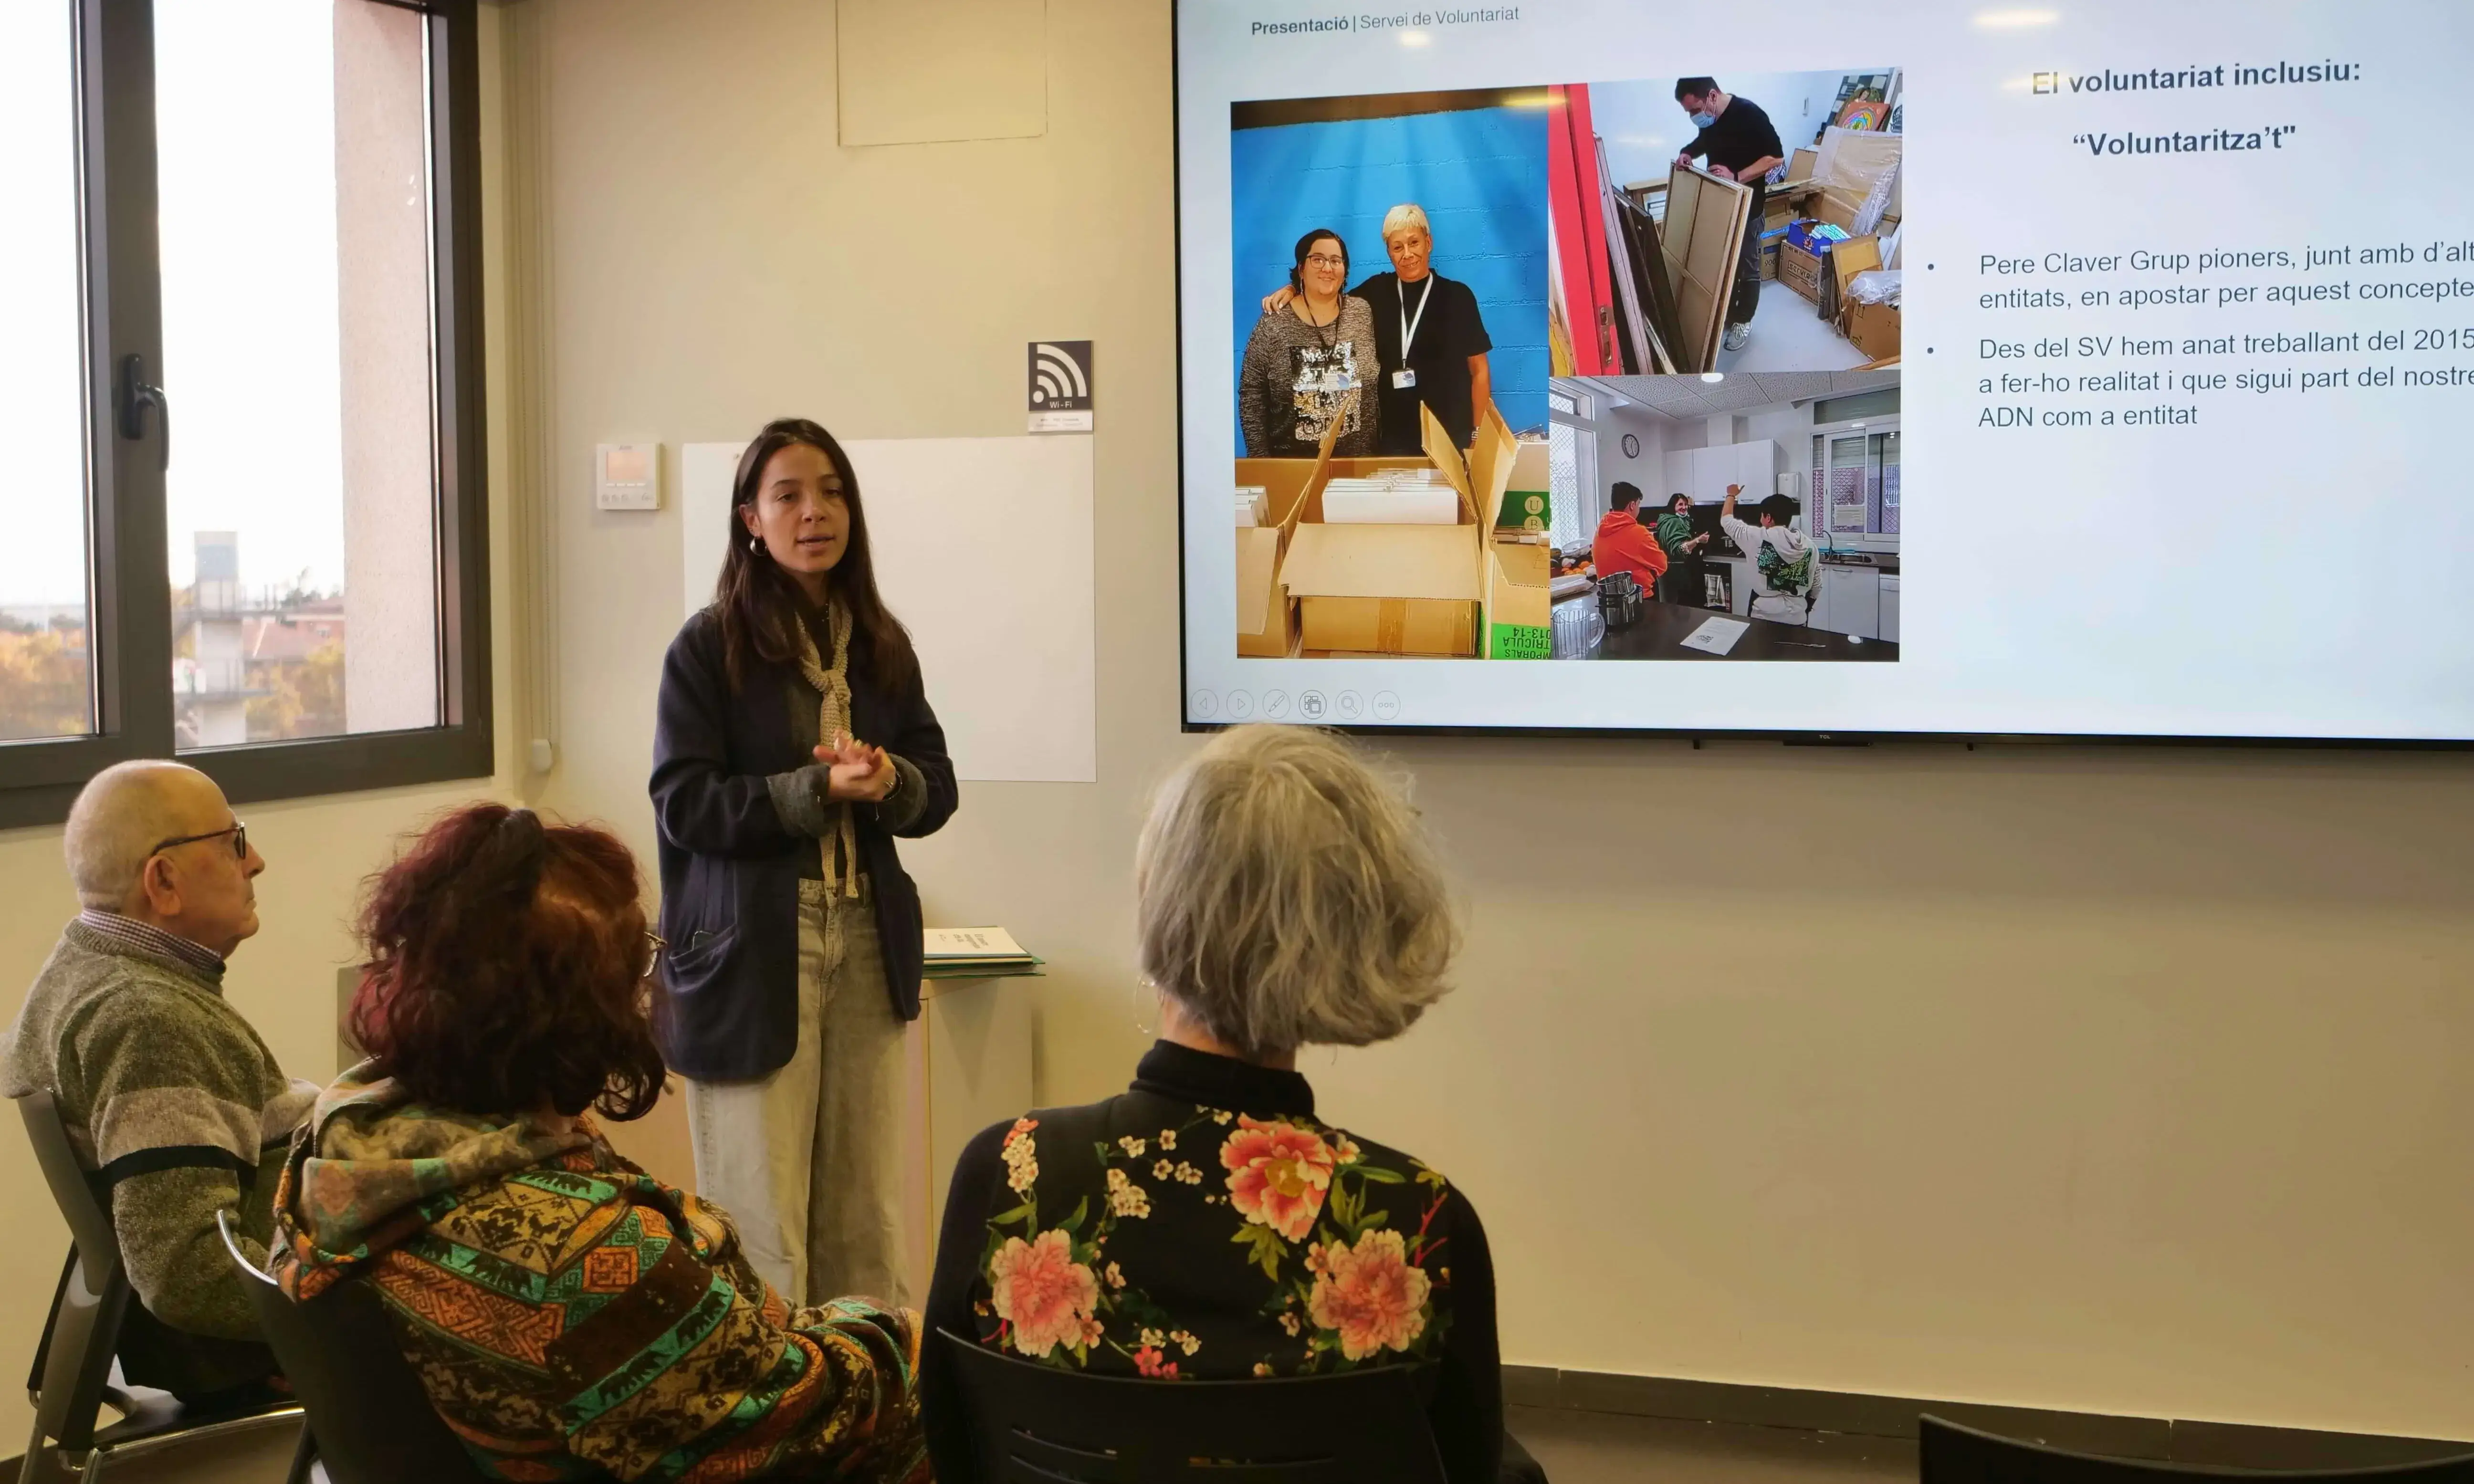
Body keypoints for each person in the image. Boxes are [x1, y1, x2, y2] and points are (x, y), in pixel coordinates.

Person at [922, 725, 1533, 1484]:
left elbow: (953, 1450)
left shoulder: (1010, 1173)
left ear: (1158, 894)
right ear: (1357, 928)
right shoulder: (1419, 1223)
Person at [267, 804, 929, 1483]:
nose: (648, 983)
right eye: (638, 959)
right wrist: (893, 1327)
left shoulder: (343, 1138)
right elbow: (807, 1413)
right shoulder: (583, 1258)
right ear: (582, 1010)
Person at [651, 417, 958, 1311]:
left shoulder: (881, 645)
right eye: (787, 495)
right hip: (752, 958)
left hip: (865, 940)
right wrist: (807, 792)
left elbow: (936, 789)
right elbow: (683, 803)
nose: (813, 512)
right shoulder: (707, 646)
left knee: (865, 1222)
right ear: (750, 517)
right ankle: (771, 1440)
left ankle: (870, 1428)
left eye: (830, 492)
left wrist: (887, 778)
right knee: (757, 1232)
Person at [0, 761, 314, 1411]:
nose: (256, 860)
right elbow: (187, 1274)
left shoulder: (86, 960)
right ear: (163, 880)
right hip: (266, 1338)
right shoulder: (149, 1021)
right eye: (233, 841)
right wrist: (345, 1319)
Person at [1261, 204, 1495, 454]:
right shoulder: (1374, 293)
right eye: (1397, 247)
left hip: (1452, 437)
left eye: (1413, 243)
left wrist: (1477, 434)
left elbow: (1479, 371)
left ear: (1429, 243)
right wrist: (1294, 289)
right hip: (1391, 442)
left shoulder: (1458, 297)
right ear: (1389, 253)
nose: (1407, 254)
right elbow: (1327, 296)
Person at [1238, 229, 1380, 458]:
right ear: (1301, 269)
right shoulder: (1274, 323)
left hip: (1357, 467)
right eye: (1318, 259)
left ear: (1345, 271)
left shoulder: (1361, 313)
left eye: (1336, 261)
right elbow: (1252, 394)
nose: (1327, 268)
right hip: (1292, 469)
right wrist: (1260, 462)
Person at [1673, 78, 1785, 354]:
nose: (1693, 117)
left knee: (1748, 266)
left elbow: (1776, 158)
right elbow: (1705, 141)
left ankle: (1744, 321)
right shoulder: (1712, 120)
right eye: (1688, 112)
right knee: (1725, 263)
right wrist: (1688, 153)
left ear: (1712, 96)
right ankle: (1728, 311)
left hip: (1748, 207)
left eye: (1694, 110)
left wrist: (1738, 176)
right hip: (1721, 205)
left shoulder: (1750, 115)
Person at [1720, 481, 1817, 624]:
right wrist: (1806, 606)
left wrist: (1731, 495)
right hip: (1798, 617)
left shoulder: (1756, 538)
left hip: (1763, 618)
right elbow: (1817, 585)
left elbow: (1727, 521)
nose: (1761, 520)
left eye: (1762, 516)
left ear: (1769, 518)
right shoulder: (1810, 546)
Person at [1592, 481, 1667, 596]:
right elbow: (1662, 564)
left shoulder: (1599, 532)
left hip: (1609, 599)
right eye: (1638, 504)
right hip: (1638, 598)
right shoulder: (1639, 533)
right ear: (1632, 505)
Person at [1656, 491, 1713, 606]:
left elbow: (1691, 522)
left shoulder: (1671, 520)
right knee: (1687, 610)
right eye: (1680, 505)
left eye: (1686, 505)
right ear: (1673, 507)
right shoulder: (1674, 522)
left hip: (1673, 572)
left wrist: (1691, 508)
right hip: (1681, 574)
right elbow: (1681, 550)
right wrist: (1698, 541)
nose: (1684, 508)